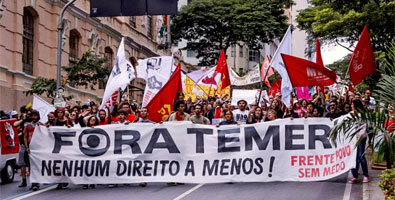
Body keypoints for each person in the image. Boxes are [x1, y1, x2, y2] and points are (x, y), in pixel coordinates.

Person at [349, 99, 369, 183]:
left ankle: (366, 175)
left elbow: (363, 129)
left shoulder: (362, 116)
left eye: (352, 104)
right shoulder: (350, 115)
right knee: (353, 157)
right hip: (353, 139)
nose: (351, 106)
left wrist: (359, 138)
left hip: (361, 138)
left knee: (361, 156)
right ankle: (355, 175)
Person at [23, 110, 43, 191]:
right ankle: (33, 182)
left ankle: (36, 183)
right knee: (30, 166)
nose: (34, 117)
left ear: (38, 116)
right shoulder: (28, 126)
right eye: (33, 115)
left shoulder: (42, 125)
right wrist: (27, 147)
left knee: (37, 166)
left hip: (39, 148)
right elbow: (25, 136)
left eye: (36, 115)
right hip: (31, 148)